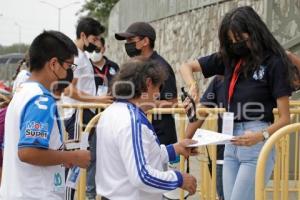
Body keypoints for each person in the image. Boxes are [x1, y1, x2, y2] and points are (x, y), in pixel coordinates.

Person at [180, 6, 293, 200]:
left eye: (239, 39)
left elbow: (285, 118)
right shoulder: (229, 59)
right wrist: (192, 86)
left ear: (254, 32)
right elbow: (186, 66)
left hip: (256, 139)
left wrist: (261, 135)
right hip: (229, 141)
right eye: (231, 41)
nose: (235, 45)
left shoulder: (273, 62)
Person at [0, 30, 91, 200]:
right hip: (36, 194)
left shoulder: (23, 93)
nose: (70, 72)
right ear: (54, 64)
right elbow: (28, 152)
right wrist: (74, 156)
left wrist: (60, 156)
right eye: (69, 66)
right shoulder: (41, 100)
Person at [96, 58, 197, 200]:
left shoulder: (111, 112)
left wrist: (175, 149)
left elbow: (140, 156)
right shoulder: (132, 121)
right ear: (149, 84)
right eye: (159, 88)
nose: (158, 95)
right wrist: (179, 179)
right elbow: (142, 176)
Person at [115, 22, 178, 146]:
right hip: (138, 133)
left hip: (160, 138)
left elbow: (173, 102)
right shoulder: (134, 66)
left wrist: (146, 103)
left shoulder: (161, 66)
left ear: (145, 41)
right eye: (126, 41)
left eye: (131, 40)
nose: (127, 44)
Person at [62, 17, 113, 141]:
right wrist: (98, 99)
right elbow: (68, 89)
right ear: (83, 35)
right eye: (94, 39)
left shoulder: (82, 55)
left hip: (84, 113)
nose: (96, 44)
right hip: (78, 115)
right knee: (79, 156)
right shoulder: (75, 57)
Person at [85, 37, 119, 199]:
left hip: (110, 118)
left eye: (97, 49)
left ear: (104, 49)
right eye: (91, 49)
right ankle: (90, 194)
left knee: (110, 158)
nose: (94, 53)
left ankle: (108, 194)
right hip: (88, 117)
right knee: (92, 158)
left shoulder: (113, 67)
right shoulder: (83, 65)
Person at [184, 75, 225, 200]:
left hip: (251, 152)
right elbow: (201, 113)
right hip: (224, 154)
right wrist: (187, 142)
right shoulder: (219, 80)